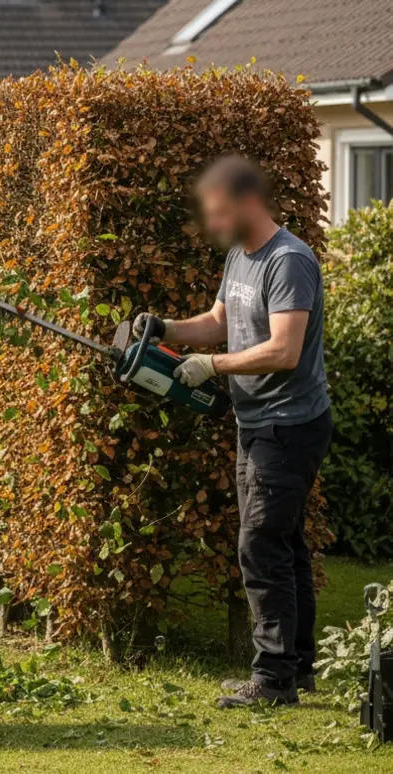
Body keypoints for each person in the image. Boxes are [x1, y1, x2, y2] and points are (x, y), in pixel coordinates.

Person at [135, 154, 331, 709]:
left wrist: (213, 366)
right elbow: (220, 322)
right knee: (284, 544)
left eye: (220, 213)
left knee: (260, 547)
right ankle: (298, 668)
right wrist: (167, 327)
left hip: (289, 426)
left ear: (248, 203)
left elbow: (285, 351)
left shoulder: (288, 261)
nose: (214, 225)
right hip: (258, 424)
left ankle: (271, 683)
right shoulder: (241, 259)